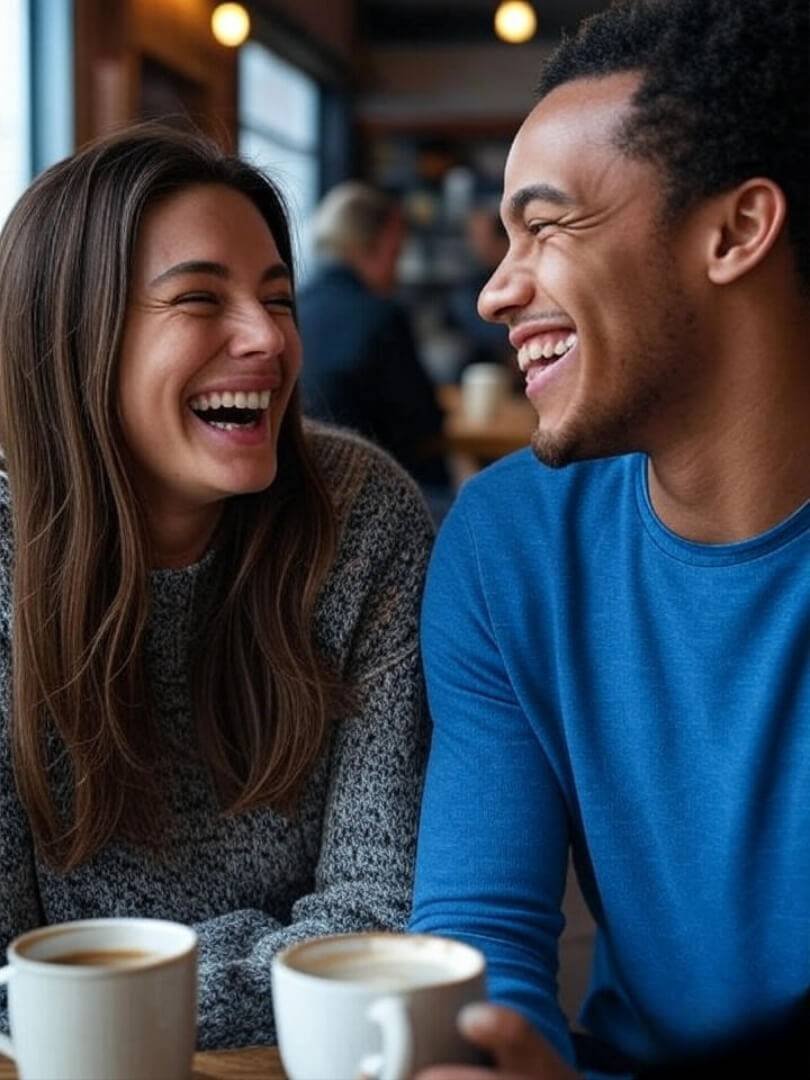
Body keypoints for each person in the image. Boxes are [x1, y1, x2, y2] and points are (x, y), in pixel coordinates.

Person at [410, 0, 809, 1075]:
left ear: (735, 231)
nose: (497, 291)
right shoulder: (509, 543)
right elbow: (478, 943)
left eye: (546, 228)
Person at [0, 125, 432, 1050]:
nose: (269, 337)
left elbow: (381, 921)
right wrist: (273, 959)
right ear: (70, 335)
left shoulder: (361, 521)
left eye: (278, 299)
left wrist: (117, 988)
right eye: (200, 297)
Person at [297, 181, 452, 504]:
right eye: (396, 253)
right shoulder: (381, 316)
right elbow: (424, 423)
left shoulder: (293, 308)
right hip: (369, 494)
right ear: (369, 247)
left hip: (302, 493)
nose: (398, 270)